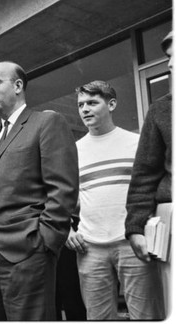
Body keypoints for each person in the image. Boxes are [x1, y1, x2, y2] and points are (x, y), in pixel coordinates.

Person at [0, 61, 78, 320]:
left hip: (29, 249)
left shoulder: (46, 122)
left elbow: (63, 188)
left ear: (18, 85)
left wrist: (45, 242)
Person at [66, 80, 164, 319]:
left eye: (92, 102)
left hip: (132, 242)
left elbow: (152, 187)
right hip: (89, 247)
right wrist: (67, 229)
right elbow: (64, 196)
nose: (85, 109)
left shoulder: (137, 142)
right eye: (80, 105)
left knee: (146, 316)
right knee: (98, 318)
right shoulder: (73, 150)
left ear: (111, 104)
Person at [125, 30, 172, 316]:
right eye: (169, 57)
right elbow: (144, 173)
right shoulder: (162, 110)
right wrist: (135, 227)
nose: (170, 65)